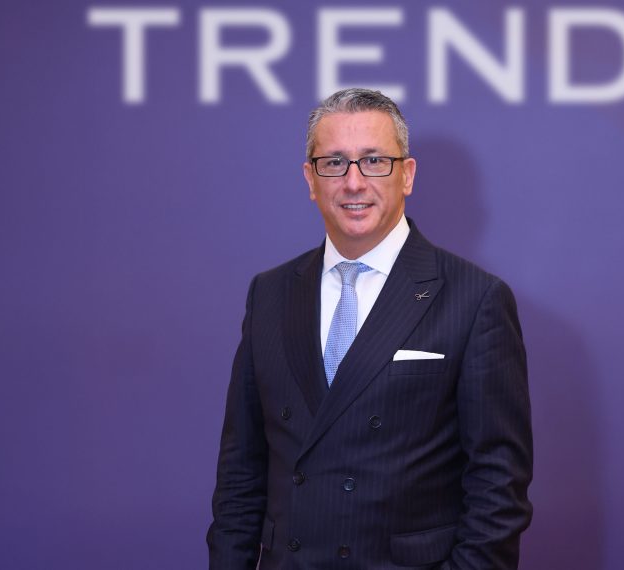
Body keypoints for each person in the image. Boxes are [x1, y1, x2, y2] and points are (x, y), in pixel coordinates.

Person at [208, 88, 533, 569]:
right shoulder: (270, 294)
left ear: (408, 174)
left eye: (375, 161)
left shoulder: (474, 298)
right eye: (334, 163)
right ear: (310, 179)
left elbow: (498, 487)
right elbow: (241, 471)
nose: (354, 182)